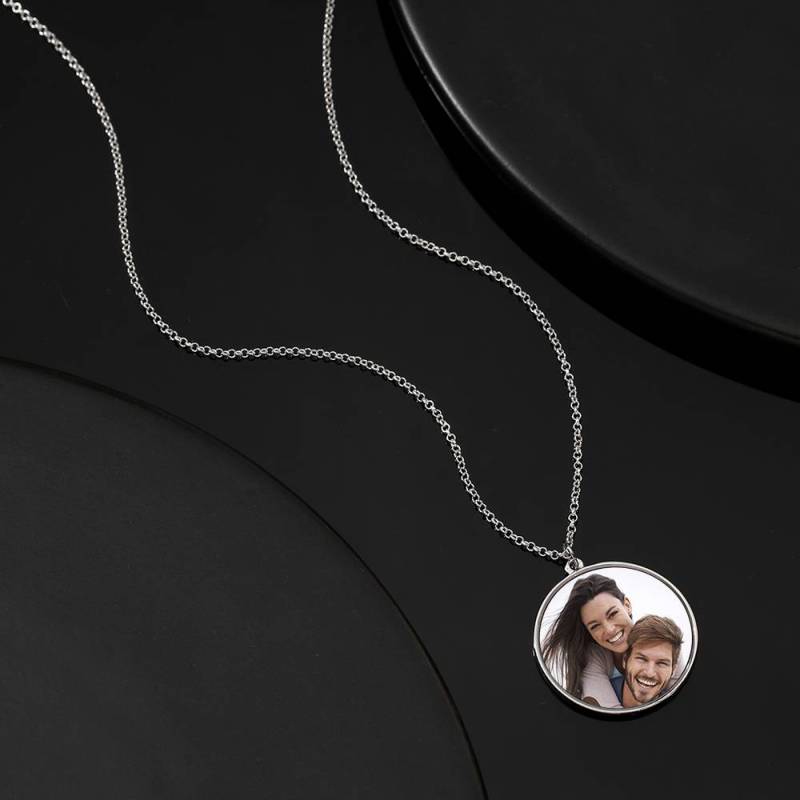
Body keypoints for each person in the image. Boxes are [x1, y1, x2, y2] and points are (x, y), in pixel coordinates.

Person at [542, 574, 635, 708]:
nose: (609, 630)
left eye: (613, 614)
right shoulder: (591, 658)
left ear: (627, 605)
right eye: (595, 626)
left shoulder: (660, 639)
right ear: (588, 632)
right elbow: (610, 713)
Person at [612, 615, 683, 708]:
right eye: (642, 659)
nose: (649, 673)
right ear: (625, 660)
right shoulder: (600, 694)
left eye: (662, 663)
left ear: (673, 670)